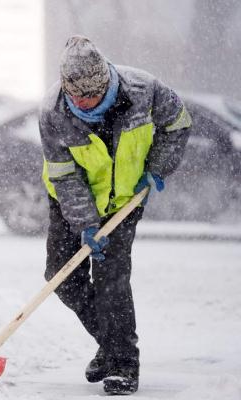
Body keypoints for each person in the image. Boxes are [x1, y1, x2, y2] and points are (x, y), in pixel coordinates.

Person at [39, 36, 192, 395]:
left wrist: (158, 167)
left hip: (124, 200)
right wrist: (85, 224)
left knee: (111, 282)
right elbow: (64, 173)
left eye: (92, 96)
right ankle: (111, 346)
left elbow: (178, 122)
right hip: (68, 200)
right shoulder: (53, 112)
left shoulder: (144, 89)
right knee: (61, 277)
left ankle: (123, 363)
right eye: (78, 98)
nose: (85, 103)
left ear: (106, 80)